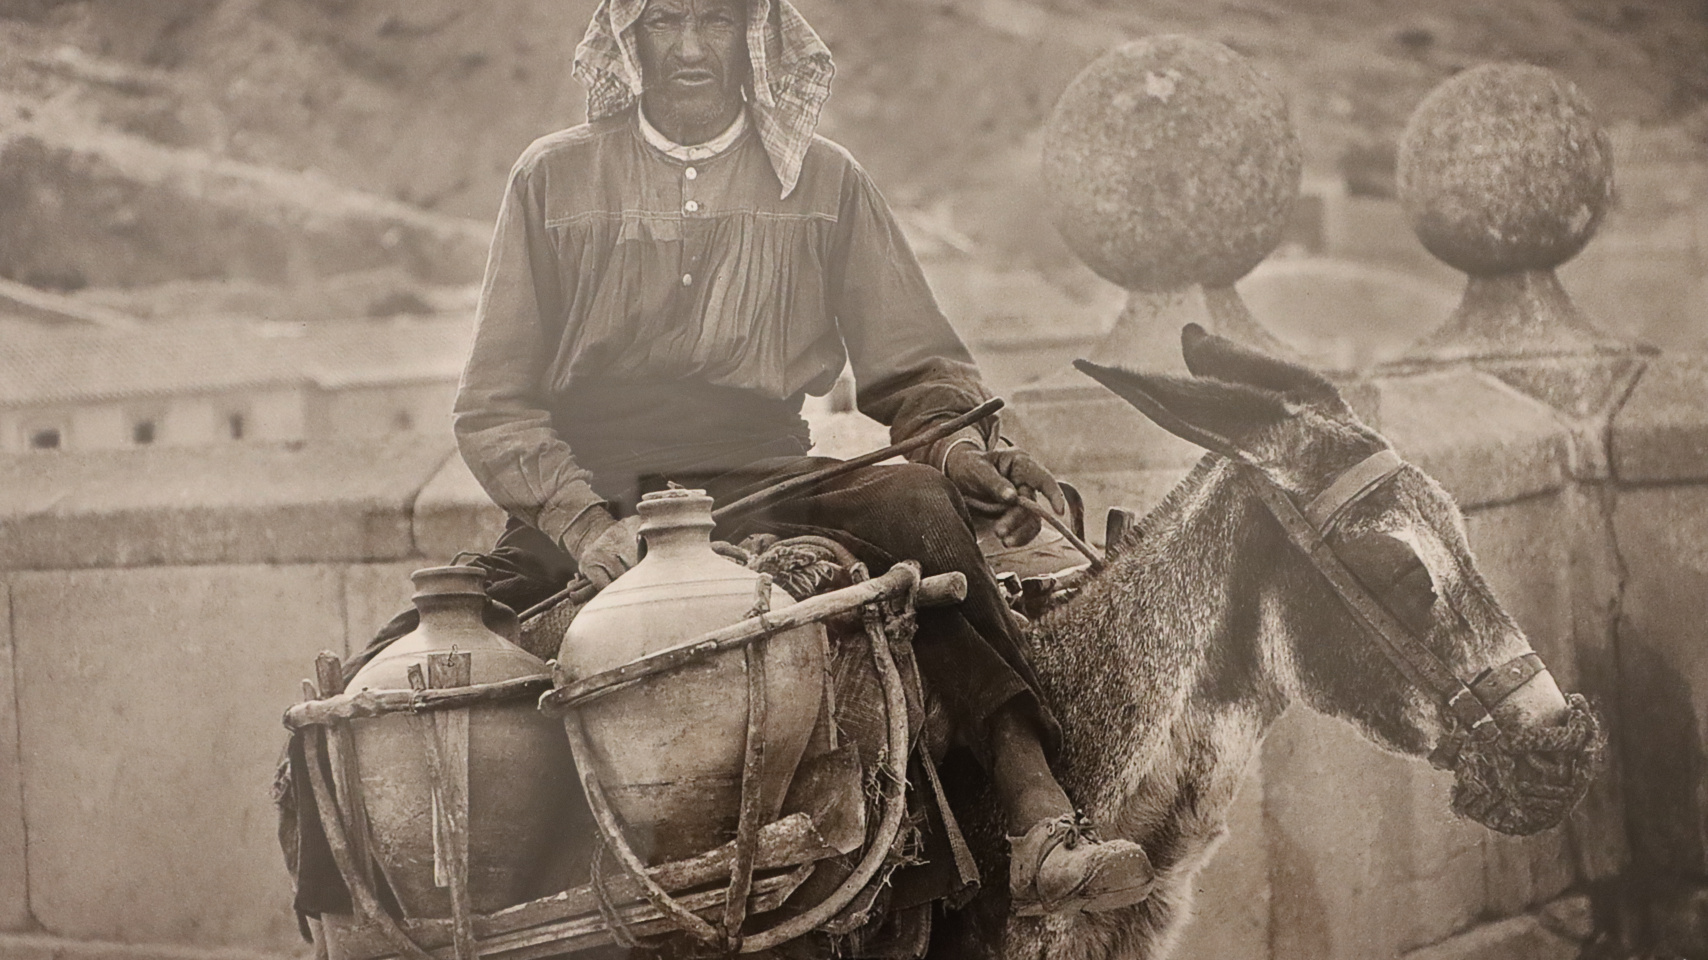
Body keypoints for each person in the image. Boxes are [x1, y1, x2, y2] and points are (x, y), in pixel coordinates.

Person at [451, 0, 1153, 918]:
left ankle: (1038, 816)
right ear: (628, 38)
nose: (693, 47)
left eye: (715, 20)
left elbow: (915, 364)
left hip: (766, 480)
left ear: (758, 36)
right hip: (599, 489)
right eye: (666, 21)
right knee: (452, 659)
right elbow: (493, 404)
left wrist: (963, 447)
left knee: (918, 516)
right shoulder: (551, 177)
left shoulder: (827, 181)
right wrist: (583, 522)